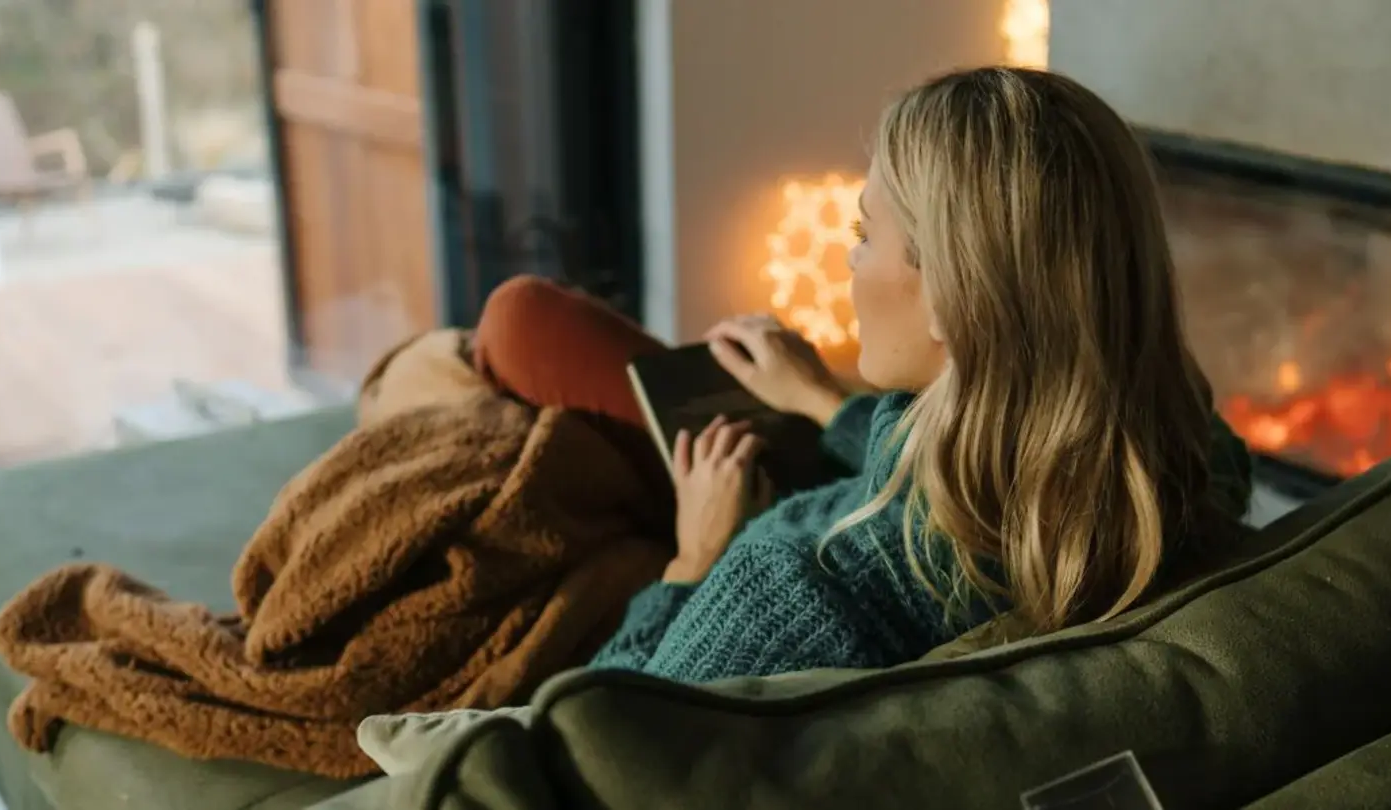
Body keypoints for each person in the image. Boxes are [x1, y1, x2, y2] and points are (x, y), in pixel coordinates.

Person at [471, 66, 1252, 684]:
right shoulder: (1190, 468)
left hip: (698, 542)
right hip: (857, 466)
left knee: (509, 332)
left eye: (863, 233)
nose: (847, 258)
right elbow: (972, 478)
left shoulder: (790, 591)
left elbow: (592, 737)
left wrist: (691, 558)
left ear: (959, 299)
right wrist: (826, 402)